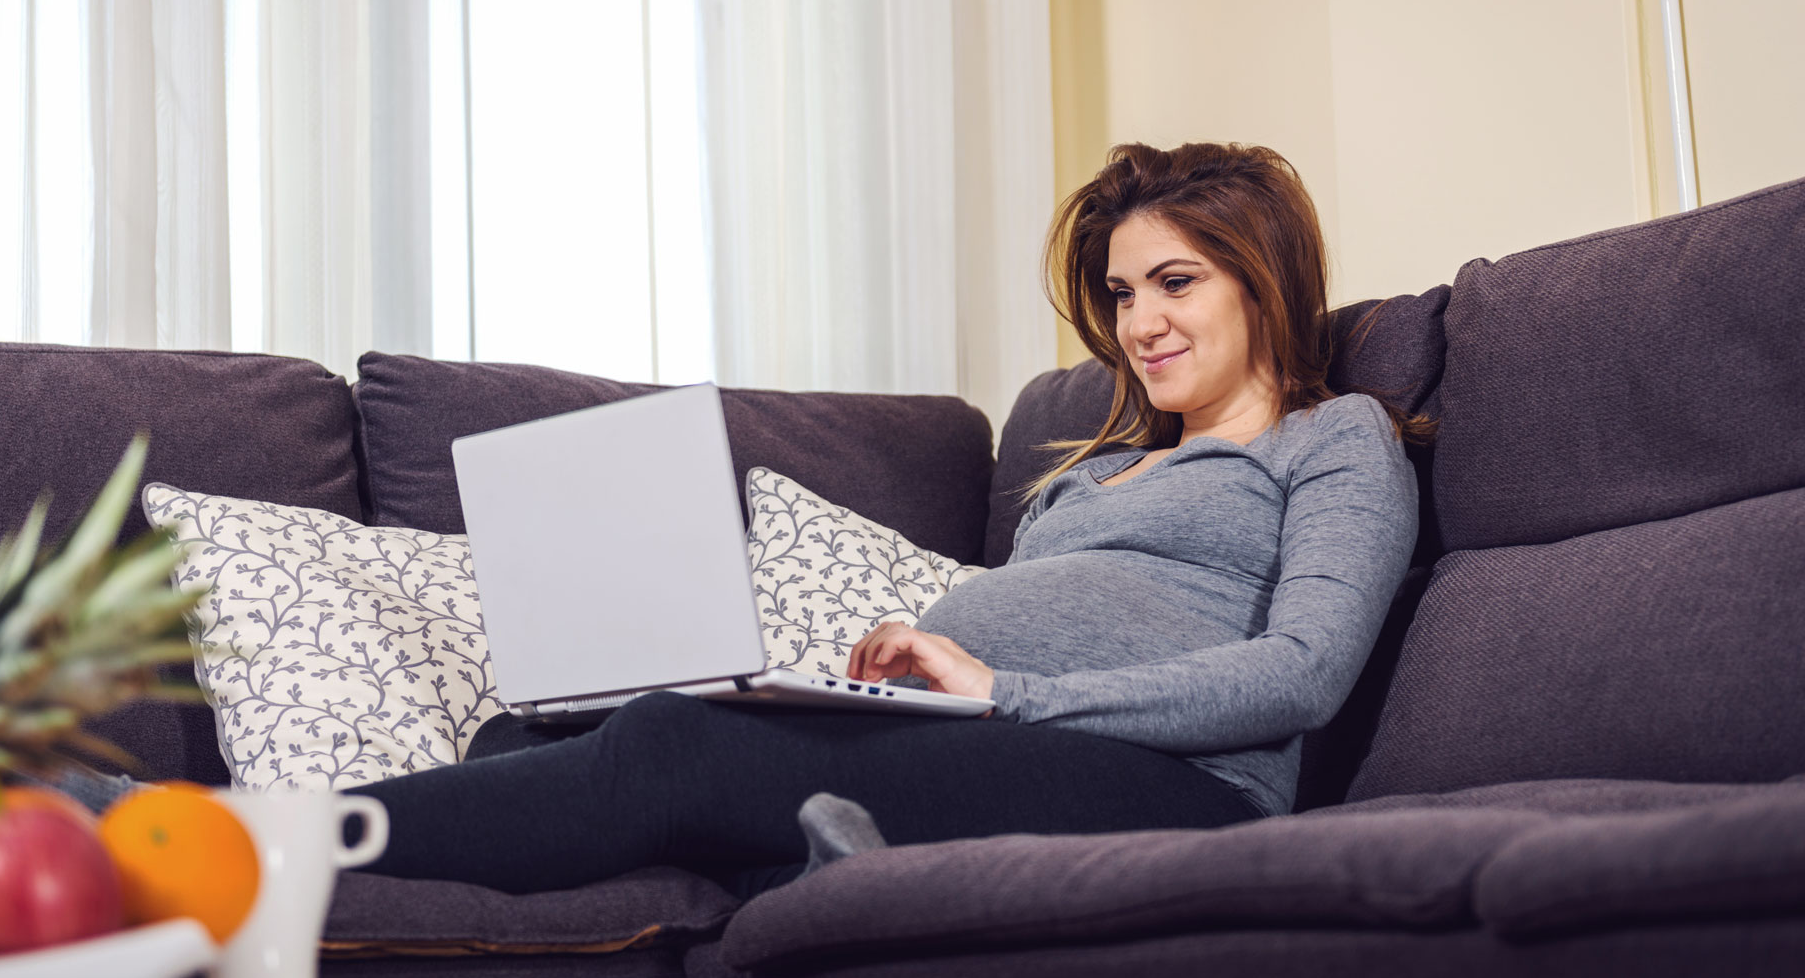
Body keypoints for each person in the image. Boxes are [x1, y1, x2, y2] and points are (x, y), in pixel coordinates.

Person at [351, 141, 1424, 899]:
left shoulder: (1332, 441)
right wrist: (902, 688)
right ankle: (820, 867)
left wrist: (1005, 694)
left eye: (1172, 282)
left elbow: (1300, 672)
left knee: (673, 750)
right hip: (989, 740)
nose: (1137, 324)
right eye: (1119, 293)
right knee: (534, 728)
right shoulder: (1089, 472)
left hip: (1181, 789)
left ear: (1260, 278)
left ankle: (281, 850)